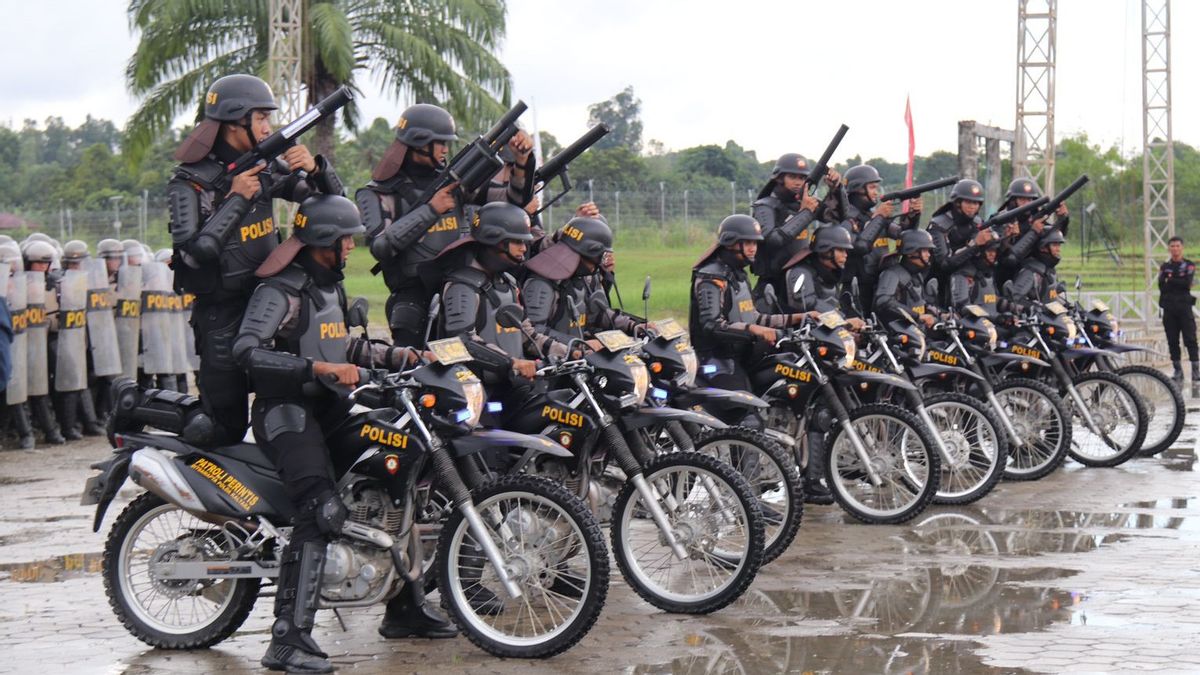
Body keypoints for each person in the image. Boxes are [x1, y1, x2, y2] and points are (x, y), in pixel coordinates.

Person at [233, 195, 445, 673]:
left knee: (400, 472)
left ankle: (405, 608)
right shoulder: (278, 290)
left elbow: (344, 342)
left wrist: (405, 357)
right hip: (285, 412)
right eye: (345, 238)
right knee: (320, 508)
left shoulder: (329, 287)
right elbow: (246, 351)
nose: (352, 246)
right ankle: (288, 638)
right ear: (325, 240)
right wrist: (316, 367)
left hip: (330, 408)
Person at [168, 73, 343, 445]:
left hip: (269, 305)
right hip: (221, 314)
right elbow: (194, 254)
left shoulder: (265, 167)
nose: (268, 127)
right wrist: (236, 199)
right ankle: (140, 407)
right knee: (222, 427)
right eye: (261, 118)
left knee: (296, 404)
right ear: (234, 123)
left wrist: (317, 171)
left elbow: (331, 207)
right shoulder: (190, 182)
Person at [359, 104, 533, 348]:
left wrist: (522, 163)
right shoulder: (377, 193)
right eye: (440, 142)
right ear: (420, 143)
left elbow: (512, 203)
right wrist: (431, 210)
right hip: (414, 298)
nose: (445, 149)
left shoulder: (456, 181)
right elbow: (380, 246)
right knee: (416, 370)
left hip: (463, 289)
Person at [689, 215, 808, 394]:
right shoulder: (712, 278)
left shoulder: (739, 275)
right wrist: (754, 330)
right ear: (731, 243)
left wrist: (800, 317)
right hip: (717, 360)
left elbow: (755, 318)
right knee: (748, 415)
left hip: (745, 354)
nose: (753, 249)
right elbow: (712, 325)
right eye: (748, 243)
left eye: (755, 243)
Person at [832, 165, 922, 311]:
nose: (877, 192)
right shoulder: (848, 218)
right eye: (872, 187)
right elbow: (860, 246)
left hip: (881, 286)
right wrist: (879, 217)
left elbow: (903, 235)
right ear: (858, 189)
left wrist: (913, 216)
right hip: (857, 290)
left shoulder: (872, 215)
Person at [750, 154, 839, 299]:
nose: (798, 182)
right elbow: (772, 240)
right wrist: (805, 214)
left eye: (802, 178)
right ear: (779, 178)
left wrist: (836, 189)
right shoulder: (765, 206)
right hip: (772, 286)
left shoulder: (805, 204)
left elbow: (836, 217)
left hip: (802, 279)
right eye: (793, 177)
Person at [927, 179, 993, 291]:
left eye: (976, 203)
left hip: (970, 279)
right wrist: (975, 245)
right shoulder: (938, 225)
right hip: (939, 284)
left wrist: (1004, 239)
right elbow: (944, 264)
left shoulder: (978, 223)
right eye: (968, 202)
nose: (972, 207)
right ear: (957, 203)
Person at [874, 230, 939, 329]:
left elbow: (921, 302)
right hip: (897, 337)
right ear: (911, 252)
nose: (928, 255)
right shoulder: (892, 274)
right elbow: (884, 301)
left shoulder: (917, 275)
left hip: (917, 333)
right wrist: (917, 316)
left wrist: (940, 314)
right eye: (925, 250)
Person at [1158, 236, 1197, 383]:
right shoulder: (1165, 266)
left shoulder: (1188, 265)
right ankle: (1178, 370)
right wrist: (1174, 280)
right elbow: (1162, 285)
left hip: (1184, 307)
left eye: (1177, 246)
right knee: (1172, 341)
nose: (1175, 249)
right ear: (1169, 248)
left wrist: (1171, 279)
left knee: (1190, 339)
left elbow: (1187, 283)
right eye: (1172, 246)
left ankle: (1195, 371)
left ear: (1182, 248)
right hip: (1169, 308)